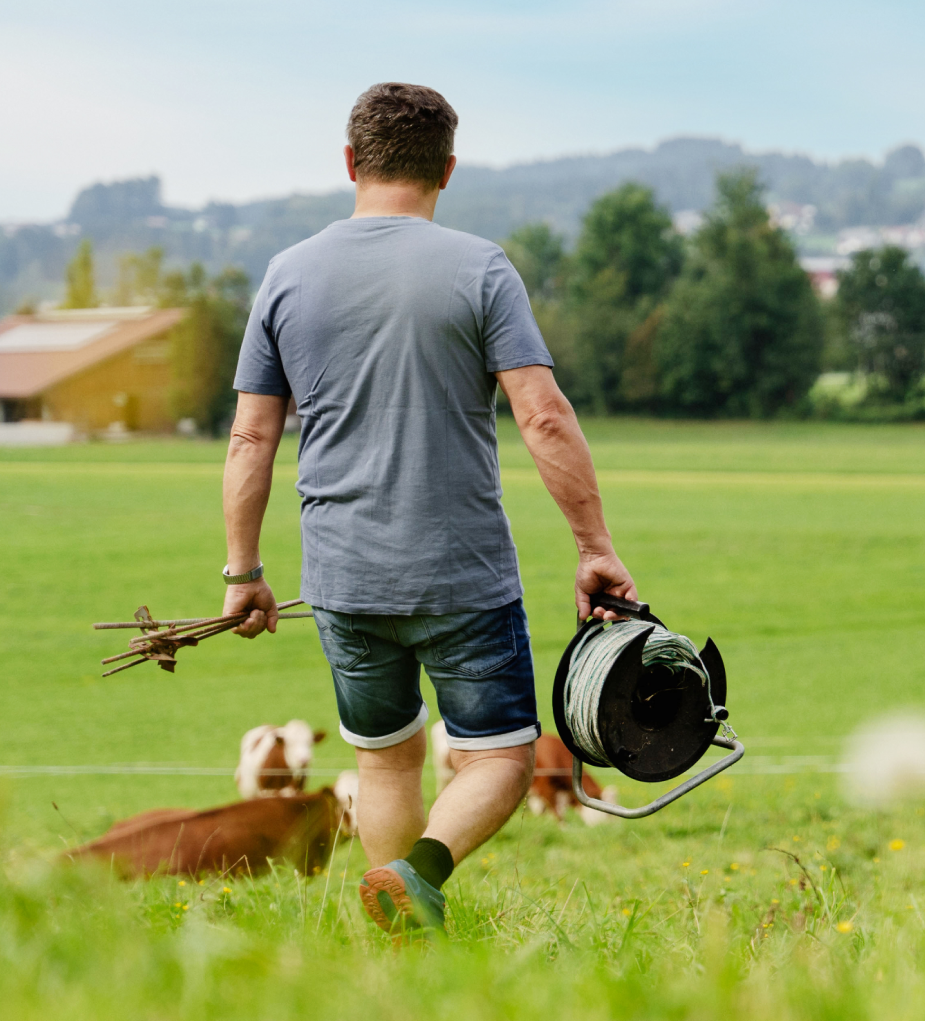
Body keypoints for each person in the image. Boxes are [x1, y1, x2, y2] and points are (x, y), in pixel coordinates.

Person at [218, 82, 636, 936]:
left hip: (341, 578)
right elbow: (544, 414)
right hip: (463, 574)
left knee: (386, 763)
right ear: (446, 169)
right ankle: (420, 875)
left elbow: (250, 440)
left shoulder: (287, 276)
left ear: (349, 164)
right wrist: (594, 544)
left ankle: (400, 932)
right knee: (503, 759)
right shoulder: (481, 267)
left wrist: (244, 573)